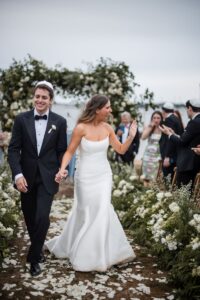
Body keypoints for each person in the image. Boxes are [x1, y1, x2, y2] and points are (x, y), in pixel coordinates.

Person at [46, 94, 137, 272]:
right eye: (108, 107)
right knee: (85, 212)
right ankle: (80, 250)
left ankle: (100, 255)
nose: (110, 110)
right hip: (85, 177)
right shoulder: (81, 128)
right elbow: (69, 152)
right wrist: (62, 169)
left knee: (103, 210)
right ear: (97, 109)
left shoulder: (108, 128)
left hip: (103, 175)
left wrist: (131, 137)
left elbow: (120, 149)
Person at [8, 81, 67, 276]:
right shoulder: (21, 119)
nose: (40, 100)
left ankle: (34, 258)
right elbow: (13, 150)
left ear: (50, 100)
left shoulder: (59, 122)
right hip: (25, 177)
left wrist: (63, 168)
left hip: (48, 177)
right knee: (31, 218)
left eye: (44, 97)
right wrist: (17, 174)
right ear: (34, 97)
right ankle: (38, 247)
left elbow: (61, 151)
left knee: (42, 217)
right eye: (37, 96)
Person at [160, 99, 200, 188]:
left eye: (186, 108)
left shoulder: (194, 122)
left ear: (190, 108)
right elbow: (185, 139)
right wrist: (174, 134)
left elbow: (182, 142)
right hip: (193, 163)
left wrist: (169, 134)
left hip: (188, 164)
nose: (186, 111)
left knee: (184, 191)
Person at [159, 102, 183, 181]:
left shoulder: (169, 120)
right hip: (175, 154)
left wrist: (167, 156)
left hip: (170, 156)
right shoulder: (176, 119)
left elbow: (170, 139)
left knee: (168, 179)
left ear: (163, 111)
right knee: (172, 179)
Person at [141, 111, 163, 183]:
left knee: (155, 175)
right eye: (154, 118)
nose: (156, 120)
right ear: (152, 119)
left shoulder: (163, 129)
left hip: (157, 155)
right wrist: (150, 126)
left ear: (161, 119)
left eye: (158, 118)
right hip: (148, 155)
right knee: (146, 175)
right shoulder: (150, 127)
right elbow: (143, 137)